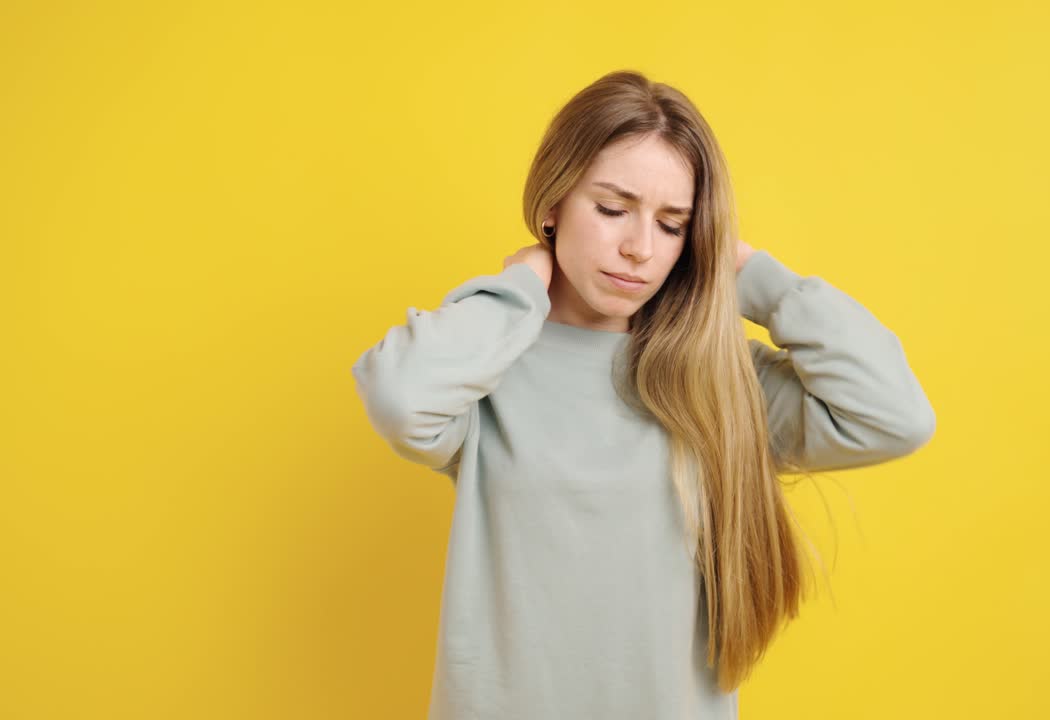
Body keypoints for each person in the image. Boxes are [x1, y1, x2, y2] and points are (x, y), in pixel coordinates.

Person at [351, 69, 936, 720]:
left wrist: (746, 272)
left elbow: (896, 416)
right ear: (553, 204)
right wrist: (518, 289)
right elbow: (401, 398)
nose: (638, 249)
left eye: (672, 224)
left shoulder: (721, 383)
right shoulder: (490, 368)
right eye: (611, 209)